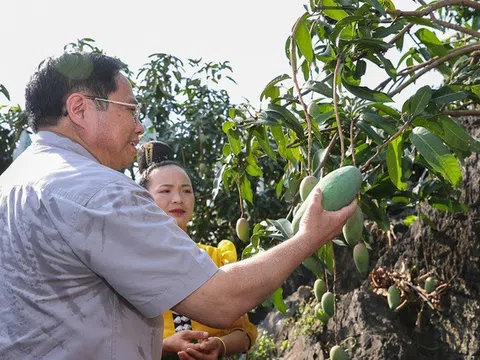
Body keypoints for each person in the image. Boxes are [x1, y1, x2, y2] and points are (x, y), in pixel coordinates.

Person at [0, 52, 357, 360]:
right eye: (132, 110)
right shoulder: (98, 190)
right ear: (79, 108)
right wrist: (308, 237)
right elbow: (220, 301)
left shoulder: (11, 185)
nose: (140, 128)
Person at [137, 141, 257, 359]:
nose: (178, 199)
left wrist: (220, 345)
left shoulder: (216, 257)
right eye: (165, 190)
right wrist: (163, 346)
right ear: (143, 200)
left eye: (186, 191)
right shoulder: (127, 263)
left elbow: (245, 333)